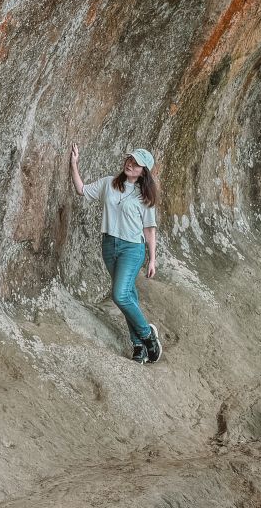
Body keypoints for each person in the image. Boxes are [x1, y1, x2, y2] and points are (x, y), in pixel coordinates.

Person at [68, 145, 162, 363]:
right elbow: (81, 189)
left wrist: (152, 259)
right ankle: (138, 345)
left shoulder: (145, 196)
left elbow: (149, 229)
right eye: (130, 159)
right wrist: (74, 164)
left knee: (119, 295)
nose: (130, 164)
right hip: (109, 246)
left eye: (136, 163)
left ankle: (148, 336)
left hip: (132, 248)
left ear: (143, 171)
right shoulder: (110, 183)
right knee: (128, 295)